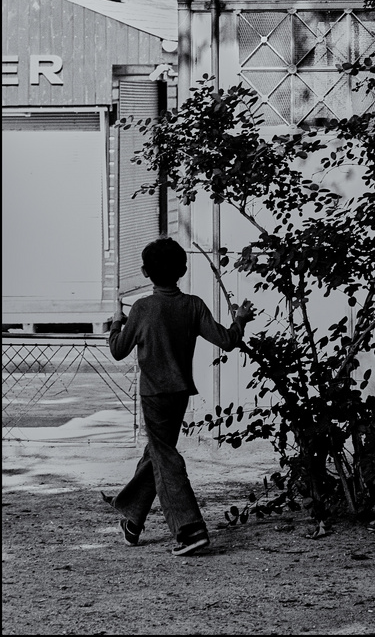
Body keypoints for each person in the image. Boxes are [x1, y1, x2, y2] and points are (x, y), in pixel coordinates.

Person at [103, 236, 256, 556]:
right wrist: (240, 319)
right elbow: (228, 341)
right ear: (183, 270)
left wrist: (117, 325)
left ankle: (190, 530)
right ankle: (132, 518)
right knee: (158, 453)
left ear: (145, 273)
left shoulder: (143, 308)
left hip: (154, 395)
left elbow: (118, 351)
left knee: (165, 458)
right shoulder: (194, 305)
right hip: (180, 393)